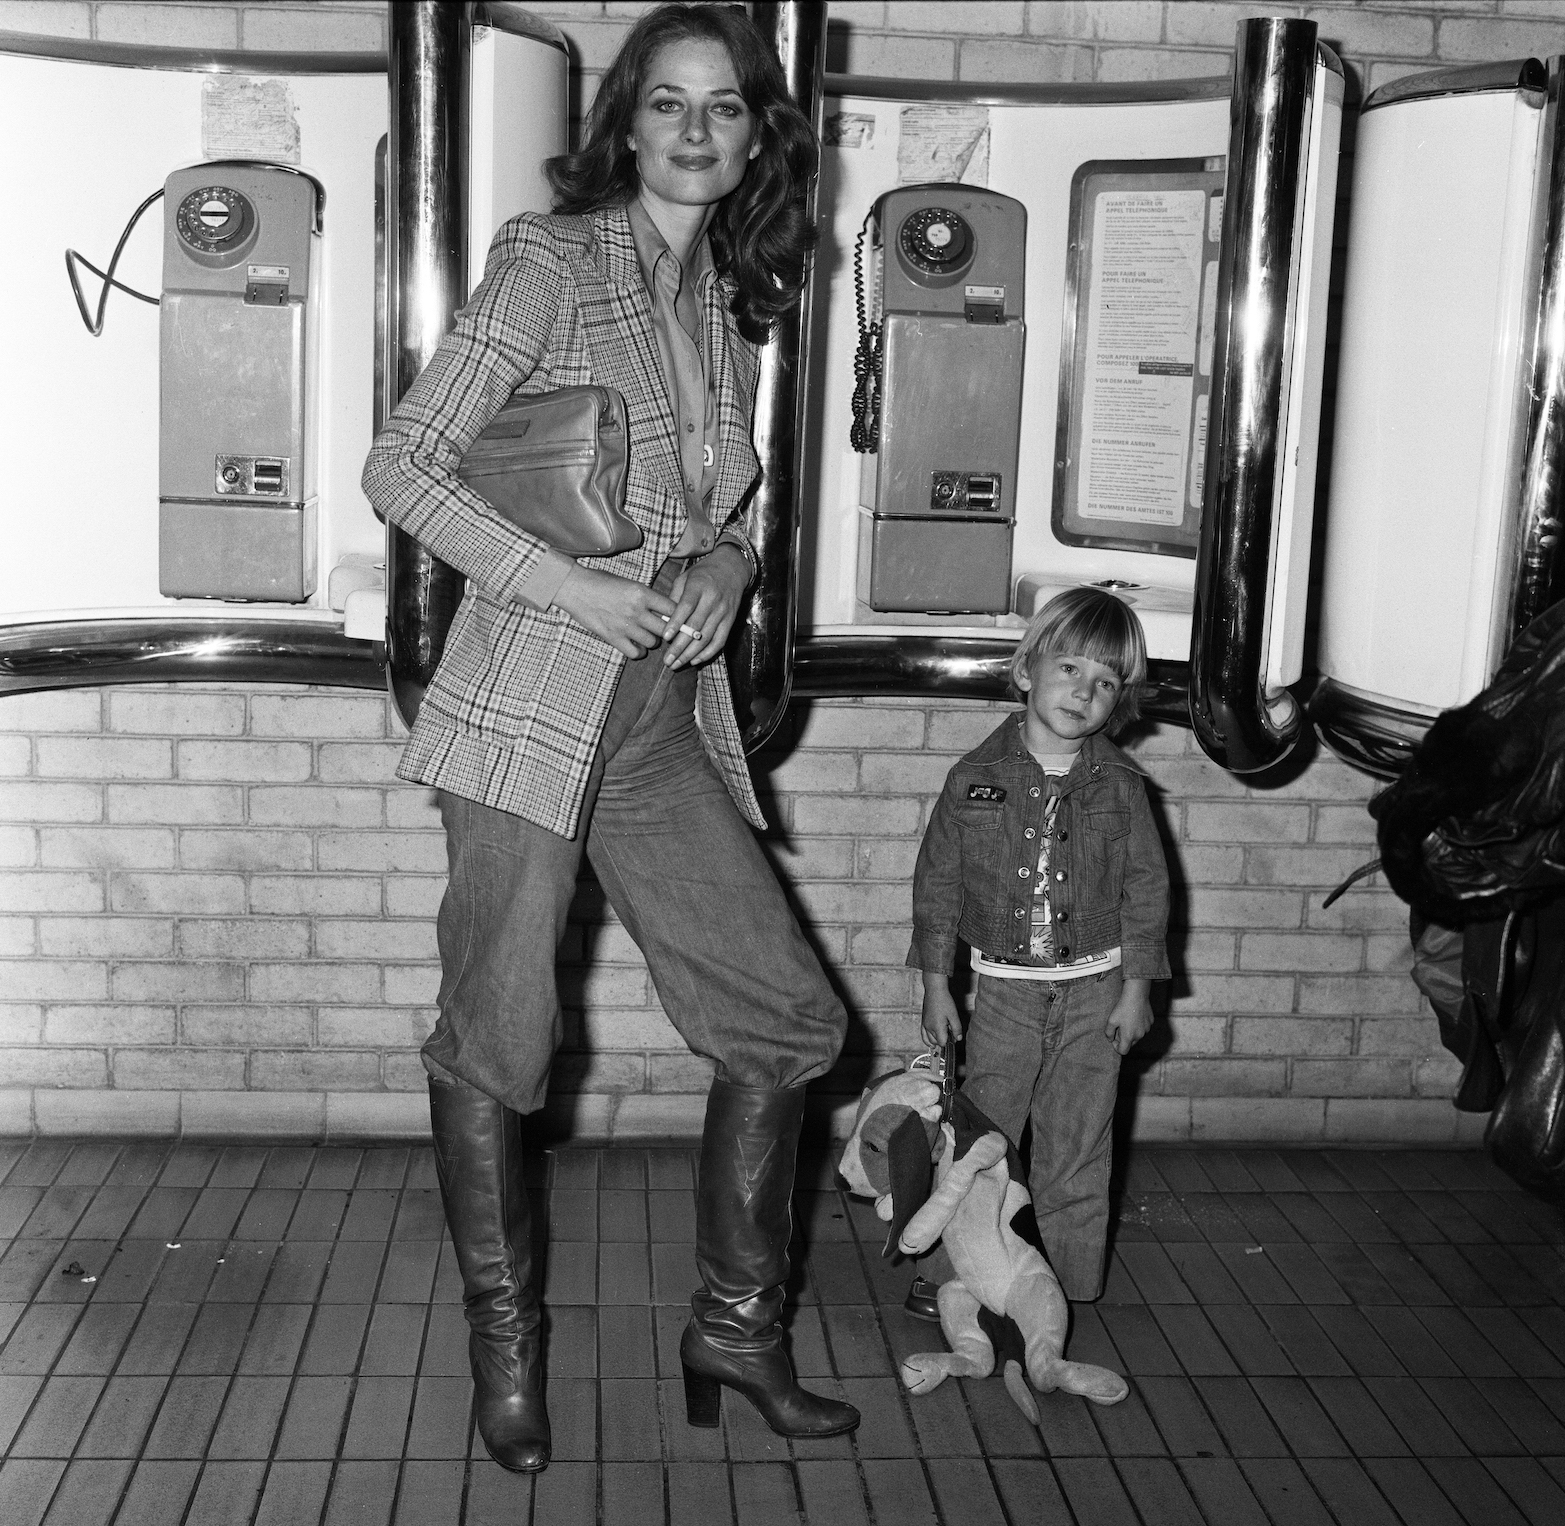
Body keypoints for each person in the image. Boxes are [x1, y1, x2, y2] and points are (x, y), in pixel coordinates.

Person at [362, 3, 856, 1473]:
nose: (696, 131)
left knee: (785, 1017)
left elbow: (725, 504)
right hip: (527, 708)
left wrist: (728, 567)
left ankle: (736, 1325)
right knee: (500, 1041)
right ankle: (505, 1353)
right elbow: (403, 463)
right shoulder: (551, 258)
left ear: (761, 131)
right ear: (624, 121)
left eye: (726, 108)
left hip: (655, 725)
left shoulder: (720, 291)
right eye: (667, 104)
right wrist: (570, 581)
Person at [907, 586, 1171, 1309]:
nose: (1084, 692)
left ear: (1119, 701)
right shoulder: (973, 782)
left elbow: (1147, 891)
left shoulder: (1121, 787)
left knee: (1080, 1149)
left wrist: (1138, 988)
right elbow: (938, 888)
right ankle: (954, 1272)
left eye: (1106, 682)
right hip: (1003, 998)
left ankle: (1064, 1289)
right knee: (980, 1143)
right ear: (1027, 669)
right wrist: (937, 986)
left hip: (1097, 995)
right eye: (1070, 669)